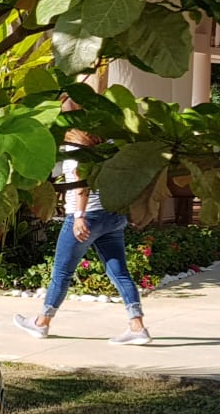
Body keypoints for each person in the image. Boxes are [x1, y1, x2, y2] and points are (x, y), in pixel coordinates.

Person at [15, 144, 151, 346]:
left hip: (87, 216)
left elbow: (82, 182)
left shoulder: (79, 148)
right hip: (113, 215)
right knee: (119, 272)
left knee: (62, 272)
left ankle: (41, 323)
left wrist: (79, 216)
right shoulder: (112, 145)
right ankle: (137, 326)